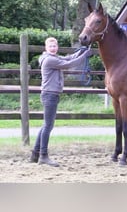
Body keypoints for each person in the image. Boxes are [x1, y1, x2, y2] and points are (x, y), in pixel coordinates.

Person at [29, 37, 92, 167]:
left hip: (51, 94)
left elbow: (67, 58)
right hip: (50, 95)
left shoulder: (53, 58)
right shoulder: (50, 60)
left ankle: (35, 154)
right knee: (48, 126)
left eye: (55, 46)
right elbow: (69, 64)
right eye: (51, 46)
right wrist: (85, 55)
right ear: (46, 48)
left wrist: (80, 52)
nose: (53, 48)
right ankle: (43, 156)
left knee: (46, 125)